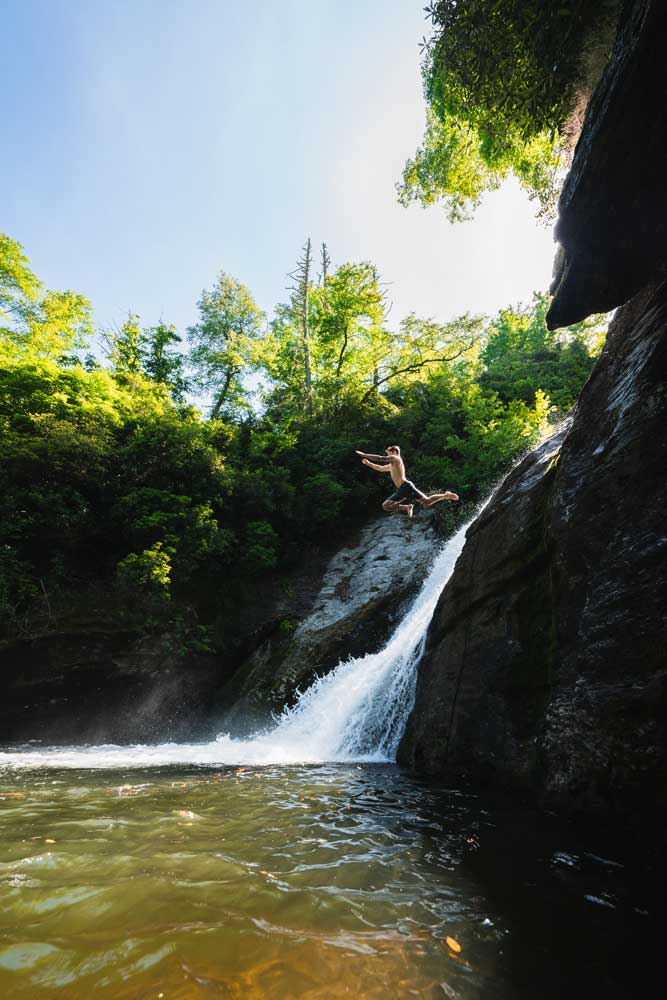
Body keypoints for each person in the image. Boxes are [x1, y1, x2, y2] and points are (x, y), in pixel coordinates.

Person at [356, 445, 459, 519]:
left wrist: (364, 454)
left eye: (388, 453)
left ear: (394, 452)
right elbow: (380, 468)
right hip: (402, 489)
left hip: (405, 487)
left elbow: (380, 458)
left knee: (386, 505)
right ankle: (444, 496)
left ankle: (445, 496)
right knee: (427, 502)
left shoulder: (396, 459)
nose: (387, 455)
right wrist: (368, 463)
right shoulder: (392, 465)